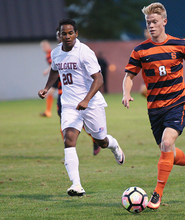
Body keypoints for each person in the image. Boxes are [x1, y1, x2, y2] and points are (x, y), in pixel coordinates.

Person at [122, 2, 185, 210]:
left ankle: (157, 194)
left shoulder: (180, 44)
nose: (151, 25)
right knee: (167, 149)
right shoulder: (140, 50)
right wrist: (126, 92)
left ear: (164, 22)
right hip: (154, 108)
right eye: (148, 22)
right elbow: (129, 75)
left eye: (155, 21)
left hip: (178, 101)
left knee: (167, 144)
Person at [38, 18, 125, 197]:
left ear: (76, 34)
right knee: (69, 140)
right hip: (69, 104)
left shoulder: (84, 52)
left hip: (91, 104)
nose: (68, 36)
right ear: (59, 36)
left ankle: (114, 146)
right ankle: (76, 185)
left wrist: (86, 100)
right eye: (64, 33)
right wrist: (46, 88)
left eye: (71, 33)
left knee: (101, 139)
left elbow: (98, 79)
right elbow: (55, 70)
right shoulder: (56, 53)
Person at [39, 40, 59, 118]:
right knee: (50, 92)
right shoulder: (52, 53)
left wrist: (47, 71)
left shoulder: (49, 54)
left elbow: (53, 65)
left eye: (44, 46)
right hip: (58, 75)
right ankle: (48, 111)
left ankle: (48, 111)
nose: (43, 48)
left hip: (58, 76)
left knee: (52, 92)